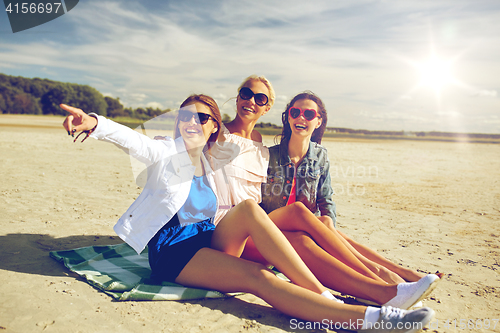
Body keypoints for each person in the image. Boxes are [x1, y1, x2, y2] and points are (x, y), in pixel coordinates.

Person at [60, 95, 435, 332]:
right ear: (178, 121)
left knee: (255, 211)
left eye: (204, 118)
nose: (195, 122)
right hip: (175, 253)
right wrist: (94, 124)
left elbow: (249, 141)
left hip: (210, 238)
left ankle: (384, 291)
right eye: (188, 116)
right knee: (260, 278)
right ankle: (363, 317)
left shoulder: (211, 156)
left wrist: (280, 125)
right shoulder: (165, 152)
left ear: (213, 129)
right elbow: (134, 141)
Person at [208, 76, 439, 308]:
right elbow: (189, 149)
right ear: (238, 96)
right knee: (299, 212)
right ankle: (381, 277)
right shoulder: (217, 134)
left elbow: (323, 198)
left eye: (260, 98)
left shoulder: (258, 141)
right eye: (246, 94)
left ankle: (383, 290)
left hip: (257, 226)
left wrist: (328, 218)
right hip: (232, 226)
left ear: (267, 107)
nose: (251, 101)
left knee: (307, 237)